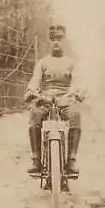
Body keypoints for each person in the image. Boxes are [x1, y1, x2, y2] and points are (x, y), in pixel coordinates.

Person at [24, 24, 85, 175]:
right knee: (34, 114)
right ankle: (36, 160)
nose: (56, 42)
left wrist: (77, 92)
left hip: (65, 97)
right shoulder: (43, 62)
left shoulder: (71, 63)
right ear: (49, 42)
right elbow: (35, 80)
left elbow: (77, 81)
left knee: (75, 114)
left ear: (64, 40)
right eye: (53, 39)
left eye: (59, 38)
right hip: (45, 97)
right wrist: (32, 91)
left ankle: (71, 161)